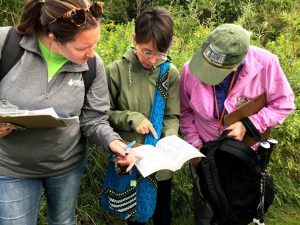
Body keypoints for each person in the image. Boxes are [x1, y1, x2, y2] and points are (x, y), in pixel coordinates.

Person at [0, 0, 136, 224]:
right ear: (53, 39)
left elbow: (94, 119)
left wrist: (113, 142)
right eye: (82, 48)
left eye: (95, 44)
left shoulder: (93, 66)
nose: (92, 54)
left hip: (66, 166)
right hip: (12, 168)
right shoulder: (6, 44)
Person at [179, 23, 295, 225]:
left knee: (238, 211)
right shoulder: (190, 69)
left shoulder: (266, 64)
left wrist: (249, 124)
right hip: (204, 153)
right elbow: (184, 110)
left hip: (243, 155)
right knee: (206, 208)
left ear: (237, 64)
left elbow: (284, 104)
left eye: (215, 71)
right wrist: (194, 144)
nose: (207, 74)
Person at [105, 6, 180, 225]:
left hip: (160, 160)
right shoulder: (115, 71)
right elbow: (104, 115)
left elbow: (172, 116)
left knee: (162, 213)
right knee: (134, 215)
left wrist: (170, 138)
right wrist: (132, 118)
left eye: (161, 53)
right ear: (134, 39)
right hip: (129, 155)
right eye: (148, 51)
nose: (154, 60)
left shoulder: (169, 73)